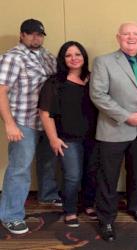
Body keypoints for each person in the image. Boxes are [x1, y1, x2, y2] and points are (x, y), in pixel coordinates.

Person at [90, 22, 137, 241]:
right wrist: (126, 116)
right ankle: (107, 219)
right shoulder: (104, 61)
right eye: (126, 34)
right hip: (114, 129)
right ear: (118, 37)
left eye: (136, 34)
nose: (131, 37)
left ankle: (134, 206)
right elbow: (98, 95)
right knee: (108, 177)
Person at [0, 18, 59, 234]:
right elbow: (1, 92)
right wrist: (9, 124)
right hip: (23, 122)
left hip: (45, 120)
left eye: (39, 34)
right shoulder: (12, 58)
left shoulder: (46, 55)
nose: (36, 37)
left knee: (47, 162)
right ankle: (11, 215)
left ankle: (48, 194)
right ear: (22, 35)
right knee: (20, 169)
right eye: (31, 33)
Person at [38, 41, 98, 227]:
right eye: (69, 55)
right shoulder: (55, 82)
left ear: (84, 57)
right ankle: (70, 210)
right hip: (67, 138)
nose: (74, 58)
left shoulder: (93, 79)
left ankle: (88, 205)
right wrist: (53, 139)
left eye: (78, 54)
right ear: (63, 59)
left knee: (92, 173)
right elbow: (45, 112)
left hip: (94, 136)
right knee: (72, 175)